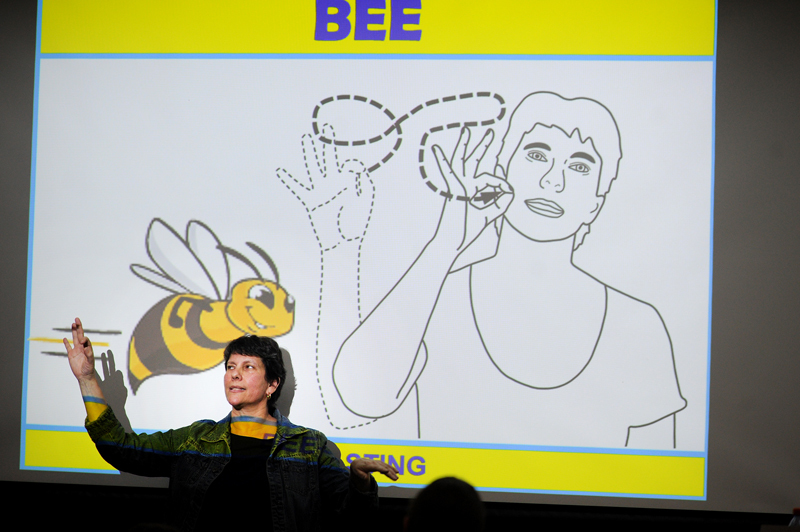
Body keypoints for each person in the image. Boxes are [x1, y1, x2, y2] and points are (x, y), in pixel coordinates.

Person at [331, 92, 687, 448]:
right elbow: (362, 400)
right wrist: (445, 245)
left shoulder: (638, 323)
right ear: (502, 170)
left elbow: (663, 471)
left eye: (579, 166)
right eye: (536, 155)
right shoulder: (436, 293)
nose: (553, 181)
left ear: (596, 203)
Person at [64, 317, 398, 532]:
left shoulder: (309, 446)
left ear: (272, 384)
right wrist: (87, 378)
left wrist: (359, 480)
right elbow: (122, 450)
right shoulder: (198, 439)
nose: (234, 373)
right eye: (230, 366)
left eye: (248, 366)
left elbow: (354, 519)